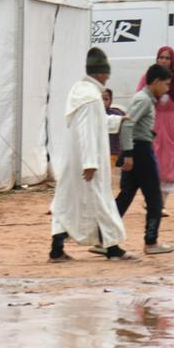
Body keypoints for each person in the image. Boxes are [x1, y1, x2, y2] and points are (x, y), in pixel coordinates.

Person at [49, 48, 132, 262]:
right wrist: (90, 162)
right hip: (87, 163)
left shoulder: (83, 93)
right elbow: (86, 131)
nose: (108, 77)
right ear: (100, 73)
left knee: (65, 202)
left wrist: (118, 120)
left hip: (74, 161)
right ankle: (112, 247)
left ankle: (56, 249)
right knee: (101, 202)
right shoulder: (90, 98)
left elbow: (98, 122)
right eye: (106, 72)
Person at [119, 64, 174, 256]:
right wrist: (128, 153)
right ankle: (151, 242)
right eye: (166, 84)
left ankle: (104, 237)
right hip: (141, 151)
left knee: (125, 196)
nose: (167, 89)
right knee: (154, 198)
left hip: (137, 150)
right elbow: (127, 125)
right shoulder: (143, 100)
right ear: (156, 82)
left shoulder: (146, 99)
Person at [137, 47, 174, 214]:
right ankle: (151, 201)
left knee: (169, 166)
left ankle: (161, 204)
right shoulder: (148, 77)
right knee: (150, 163)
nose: (163, 60)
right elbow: (139, 97)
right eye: (161, 57)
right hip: (152, 125)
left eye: (167, 58)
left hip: (171, 128)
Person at [105, 88, 127, 167]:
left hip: (113, 152)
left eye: (106, 99)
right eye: (101, 99)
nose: (103, 102)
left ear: (111, 101)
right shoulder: (94, 115)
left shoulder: (117, 114)